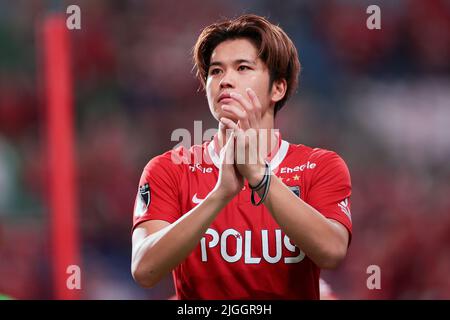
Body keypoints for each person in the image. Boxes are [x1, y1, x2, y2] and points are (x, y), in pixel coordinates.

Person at [131, 14, 352, 299]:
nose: (225, 80)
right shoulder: (169, 169)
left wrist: (260, 177)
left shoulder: (320, 167)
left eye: (243, 67)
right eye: (215, 71)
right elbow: (144, 269)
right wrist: (220, 195)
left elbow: (332, 252)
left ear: (278, 88)